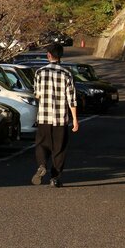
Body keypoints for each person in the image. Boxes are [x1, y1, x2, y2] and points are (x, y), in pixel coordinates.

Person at [32, 42, 79, 188]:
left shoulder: (39, 72)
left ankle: (41, 165)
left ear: (48, 55)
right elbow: (72, 99)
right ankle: (55, 178)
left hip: (44, 117)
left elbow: (37, 95)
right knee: (59, 148)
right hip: (60, 118)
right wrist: (75, 120)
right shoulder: (67, 74)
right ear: (61, 56)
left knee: (41, 144)